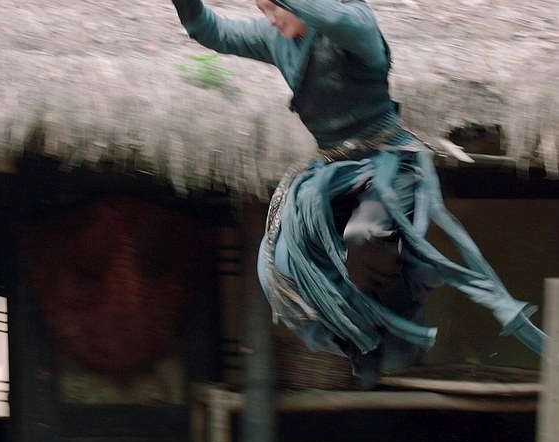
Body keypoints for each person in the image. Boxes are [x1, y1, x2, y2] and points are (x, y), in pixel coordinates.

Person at [170, 0, 546, 386]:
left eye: (273, 9)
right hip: (331, 174)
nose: (269, 19)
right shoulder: (275, 37)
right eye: (263, 10)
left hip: (389, 164)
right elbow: (209, 30)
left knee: (365, 237)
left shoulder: (356, 24)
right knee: (276, 265)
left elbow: (331, 17)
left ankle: (403, 321)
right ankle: (356, 339)